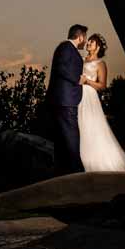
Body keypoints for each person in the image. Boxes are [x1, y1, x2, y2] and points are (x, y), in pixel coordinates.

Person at [76, 33, 125, 174]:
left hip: (90, 96)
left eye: (92, 42)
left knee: (92, 127)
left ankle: (96, 161)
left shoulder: (100, 64)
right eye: (88, 41)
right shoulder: (81, 60)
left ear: (98, 46)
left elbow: (102, 86)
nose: (88, 43)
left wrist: (87, 81)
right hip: (76, 95)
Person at [48, 24, 89, 173]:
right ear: (80, 36)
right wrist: (77, 79)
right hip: (65, 100)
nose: (85, 41)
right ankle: (76, 170)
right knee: (71, 135)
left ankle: (63, 171)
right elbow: (61, 68)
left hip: (63, 100)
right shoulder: (66, 47)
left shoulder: (67, 49)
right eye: (85, 37)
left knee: (62, 137)